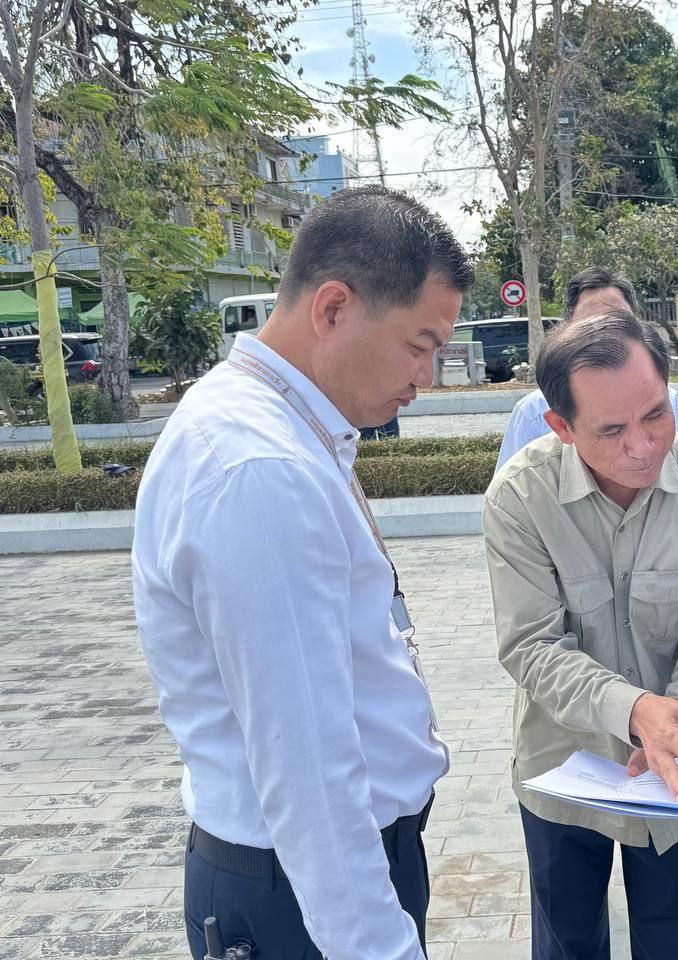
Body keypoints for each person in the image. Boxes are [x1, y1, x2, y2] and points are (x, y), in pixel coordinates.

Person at [132, 186, 473, 960]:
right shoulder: (260, 467)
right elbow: (307, 767)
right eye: (418, 345)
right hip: (305, 898)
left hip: (314, 879)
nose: (426, 376)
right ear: (333, 308)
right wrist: (380, 948)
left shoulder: (285, 429)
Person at [482, 310, 678, 960]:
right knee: (568, 944)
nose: (643, 445)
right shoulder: (520, 499)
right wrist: (636, 712)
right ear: (561, 426)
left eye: (656, 414)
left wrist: (673, 721)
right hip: (563, 766)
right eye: (611, 429)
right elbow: (532, 645)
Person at [495, 267, 678, 469]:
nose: (606, 334)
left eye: (618, 321)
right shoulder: (532, 413)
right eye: (590, 325)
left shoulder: (673, 405)